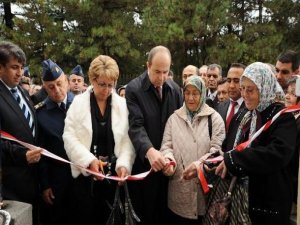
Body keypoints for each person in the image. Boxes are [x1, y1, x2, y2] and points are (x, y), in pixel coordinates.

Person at [216, 62, 297, 225]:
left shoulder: (282, 117)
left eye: (250, 89)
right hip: (239, 203)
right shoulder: (244, 114)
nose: (245, 94)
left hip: (268, 206)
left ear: (264, 88)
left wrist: (235, 160)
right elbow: (227, 148)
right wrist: (207, 163)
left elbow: (276, 155)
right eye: (243, 88)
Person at [63, 55, 135, 225]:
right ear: (92, 80)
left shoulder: (122, 106)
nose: (107, 90)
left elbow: (127, 141)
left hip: (113, 179)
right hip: (85, 180)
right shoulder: (78, 104)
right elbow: (69, 136)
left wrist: (124, 164)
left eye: (111, 85)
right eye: (102, 84)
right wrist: (88, 161)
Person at [125, 45, 183, 225]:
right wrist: (149, 151)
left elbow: (178, 127)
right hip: (144, 168)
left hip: (168, 169)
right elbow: (136, 126)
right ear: (147, 65)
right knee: (145, 216)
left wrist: (170, 157)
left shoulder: (174, 89)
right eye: (157, 71)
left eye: (166, 72)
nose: (162, 77)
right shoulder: (134, 89)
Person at [160, 75, 225, 225]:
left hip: (206, 196)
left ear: (202, 94)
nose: (190, 98)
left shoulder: (214, 119)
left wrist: (199, 165)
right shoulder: (173, 119)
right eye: (187, 93)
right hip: (179, 194)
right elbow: (166, 146)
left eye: (195, 93)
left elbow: (217, 151)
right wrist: (169, 161)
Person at [0, 41, 42, 225]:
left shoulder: (22, 93)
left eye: (22, 68)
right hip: (12, 182)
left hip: (33, 178)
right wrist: (22, 155)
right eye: (14, 67)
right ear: (0, 68)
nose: (20, 73)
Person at [36, 59, 74, 225]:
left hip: (83, 178)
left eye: (59, 83)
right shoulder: (40, 114)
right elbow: (40, 152)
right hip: (57, 181)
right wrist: (45, 185)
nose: (57, 90)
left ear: (66, 80)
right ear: (45, 87)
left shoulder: (82, 105)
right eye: (51, 87)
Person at [216, 63, 247, 152]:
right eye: (229, 80)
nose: (232, 86)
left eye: (236, 81)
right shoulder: (221, 107)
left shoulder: (251, 109)